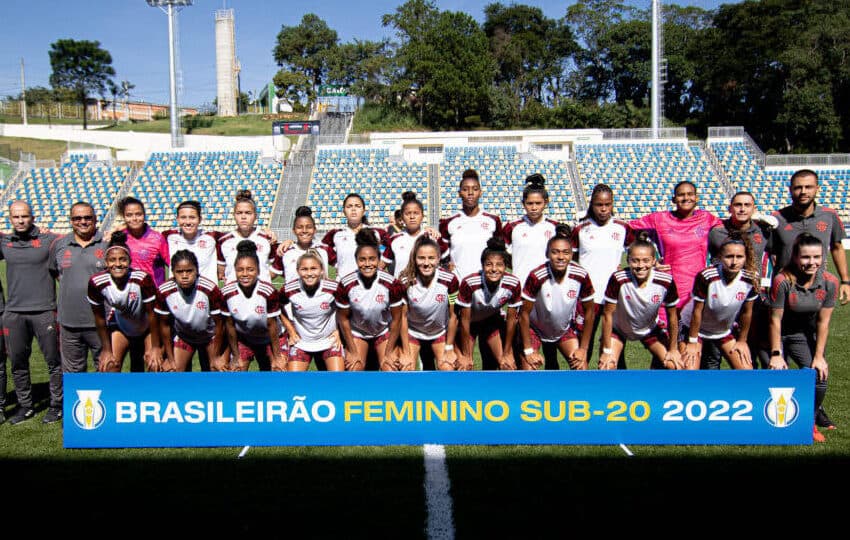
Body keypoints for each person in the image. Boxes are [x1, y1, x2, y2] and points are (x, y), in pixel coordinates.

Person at [768, 169, 848, 430]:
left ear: (817, 189)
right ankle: (778, 412)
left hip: (814, 293)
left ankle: (816, 409)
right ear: (790, 189)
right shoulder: (778, 218)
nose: (803, 191)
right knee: (776, 353)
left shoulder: (829, 216)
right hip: (785, 292)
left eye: (808, 187)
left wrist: (845, 280)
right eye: (797, 187)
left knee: (815, 355)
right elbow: (769, 253)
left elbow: (836, 247)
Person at [767, 233, 839, 442]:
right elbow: (774, 320)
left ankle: (810, 421)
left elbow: (823, 322)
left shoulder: (830, 282)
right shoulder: (782, 280)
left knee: (819, 376)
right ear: (796, 257)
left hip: (802, 335)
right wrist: (776, 353)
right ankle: (776, 423)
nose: (811, 262)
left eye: (816, 257)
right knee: (778, 375)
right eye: (806, 257)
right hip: (776, 333)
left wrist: (819, 356)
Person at [0, 200, 62, 425]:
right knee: (18, 363)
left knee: (54, 361)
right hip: (14, 313)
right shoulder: (5, 242)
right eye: (15, 217)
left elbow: (71, 238)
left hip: (44, 310)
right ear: (10, 219)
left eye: (24, 216)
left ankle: (56, 405)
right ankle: (25, 406)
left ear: (32, 217)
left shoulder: (48, 240)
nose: (20, 221)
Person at [629, 181, 722, 313]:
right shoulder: (659, 219)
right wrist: (650, 262)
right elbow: (626, 229)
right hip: (667, 286)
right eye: (681, 195)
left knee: (692, 331)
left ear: (697, 198)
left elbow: (729, 235)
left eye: (690, 194)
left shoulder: (707, 218)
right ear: (674, 199)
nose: (686, 198)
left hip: (697, 288)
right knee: (668, 331)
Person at [598, 232, 682, 370]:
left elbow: (672, 316)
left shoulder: (665, 281)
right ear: (628, 260)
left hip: (649, 329)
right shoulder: (618, 279)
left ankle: (655, 378)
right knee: (607, 366)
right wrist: (606, 351)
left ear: (654, 261)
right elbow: (607, 314)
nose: (640, 265)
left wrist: (673, 349)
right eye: (635, 260)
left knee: (673, 365)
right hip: (619, 329)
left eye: (645, 260)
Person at [707, 191, 773, 366]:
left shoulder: (764, 231)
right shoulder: (716, 232)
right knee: (713, 355)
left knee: (750, 350)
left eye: (747, 205)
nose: (742, 209)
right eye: (738, 205)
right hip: (721, 299)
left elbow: (779, 255)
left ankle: (749, 389)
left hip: (752, 300)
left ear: (754, 209)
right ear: (730, 208)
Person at [518, 224, 596, 371]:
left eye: (566, 252)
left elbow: (590, 312)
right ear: (547, 254)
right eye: (555, 252)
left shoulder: (581, 275)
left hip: (562, 330)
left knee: (581, 367)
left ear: (572, 255)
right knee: (528, 368)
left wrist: (583, 349)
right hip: (535, 329)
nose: (561, 257)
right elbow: (523, 314)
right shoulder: (537, 276)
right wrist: (528, 351)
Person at [571, 183, 633, 363]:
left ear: (612, 204)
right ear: (592, 204)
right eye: (599, 205)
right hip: (587, 296)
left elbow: (635, 252)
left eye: (608, 204)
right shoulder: (581, 229)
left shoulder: (622, 228)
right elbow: (571, 256)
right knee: (584, 345)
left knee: (613, 345)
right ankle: (580, 383)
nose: (604, 209)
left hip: (614, 296)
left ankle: (614, 383)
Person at [680, 233, 760, 370]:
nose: (734, 262)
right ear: (720, 258)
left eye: (739, 257)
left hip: (722, 330)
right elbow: (697, 311)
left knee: (747, 371)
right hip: (693, 329)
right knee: (689, 371)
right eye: (729, 256)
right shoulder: (707, 276)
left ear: (746, 258)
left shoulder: (751, 279)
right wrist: (692, 342)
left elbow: (747, 312)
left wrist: (742, 340)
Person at [87, 231, 162, 373]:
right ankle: (115, 395)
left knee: (154, 363)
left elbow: (152, 314)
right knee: (109, 365)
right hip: (121, 327)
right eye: (112, 260)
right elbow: (99, 318)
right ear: (106, 262)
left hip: (146, 327)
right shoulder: (97, 282)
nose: (118, 264)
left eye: (123, 259)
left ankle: (151, 395)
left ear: (130, 261)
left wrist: (155, 347)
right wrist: (106, 350)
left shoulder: (142, 279)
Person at [49, 201, 108, 374]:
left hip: (100, 322)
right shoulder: (60, 245)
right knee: (73, 373)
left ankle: (104, 402)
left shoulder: (106, 243)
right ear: (71, 220)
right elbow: (55, 272)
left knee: (105, 369)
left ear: (95, 219)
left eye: (87, 217)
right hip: (69, 322)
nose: (83, 221)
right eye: (77, 218)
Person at [336, 229, 406, 371]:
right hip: (358, 333)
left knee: (390, 367)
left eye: (372, 259)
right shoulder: (345, 284)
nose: (367, 264)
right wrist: (352, 351)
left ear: (379, 260)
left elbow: (397, 318)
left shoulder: (392, 284)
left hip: (383, 332)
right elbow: (343, 319)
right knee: (354, 368)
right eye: (362, 260)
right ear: (356, 261)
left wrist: (388, 352)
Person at [155, 250, 227, 372]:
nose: (184, 276)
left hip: (210, 337)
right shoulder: (164, 291)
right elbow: (164, 326)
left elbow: (220, 325)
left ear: (197, 271)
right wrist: (171, 359)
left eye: (189, 271)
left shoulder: (209, 289)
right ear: (172, 272)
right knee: (171, 370)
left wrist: (215, 357)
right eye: (179, 272)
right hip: (184, 337)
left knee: (216, 369)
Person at [457, 236, 522, 370]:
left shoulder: (513, 284)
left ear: (506, 266)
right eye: (488, 264)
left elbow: (512, 320)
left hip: (490, 322)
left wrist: (507, 352)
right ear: (482, 265)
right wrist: (466, 354)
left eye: (499, 264)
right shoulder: (470, 283)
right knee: (465, 366)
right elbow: (464, 320)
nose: (494, 269)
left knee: (506, 365)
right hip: (468, 324)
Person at [221, 241, 286, 372]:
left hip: (271, 339)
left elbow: (272, 326)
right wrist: (235, 356)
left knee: (277, 372)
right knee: (237, 373)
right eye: (240, 270)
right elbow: (230, 326)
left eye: (250, 270)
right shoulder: (226, 293)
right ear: (235, 270)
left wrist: (277, 356)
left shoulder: (268, 292)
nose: (245, 274)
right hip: (246, 339)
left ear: (258, 270)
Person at [399, 235, 460, 371]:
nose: (426, 263)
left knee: (447, 368)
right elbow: (402, 317)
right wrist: (405, 351)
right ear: (414, 259)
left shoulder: (450, 280)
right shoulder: (405, 282)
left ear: (438, 258)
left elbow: (454, 316)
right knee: (406, 368)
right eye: (421, 258)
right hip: (413, 333)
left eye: (431, 258)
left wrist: (449, 348)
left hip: (439, 333)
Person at [279, 249, 345, 372]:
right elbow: (277, 306)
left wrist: (338, 331)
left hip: (329, 341)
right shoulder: (289, 289)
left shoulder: (334, 288)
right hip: (301, 342)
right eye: (304, 269)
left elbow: (346, 310)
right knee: (293, 382)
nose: (309, 273)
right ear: (298, 271)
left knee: (338, 380)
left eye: (313, 268)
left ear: (321, 270)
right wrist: (291, 330)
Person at [439, 169, 503, 281]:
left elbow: (500, 253)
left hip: (486, 283)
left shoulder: (493, 220)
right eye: (465, 189)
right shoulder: (448, 222)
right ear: (459, 193)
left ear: (480, 192)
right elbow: (442, 253)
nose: (470, 193)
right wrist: (446, 265)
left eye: (475, 189)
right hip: (459, 284)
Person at [502, 173, 560, 288]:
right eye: (530, 203)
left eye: (538, 203)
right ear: (523, 203)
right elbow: (502, 254)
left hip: (548, 287)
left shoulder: (555, 227)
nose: (534, 208)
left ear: (546, 202)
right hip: (521, 286)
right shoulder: (512, 226)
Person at [217, 190, 280, 284]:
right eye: (239, 213)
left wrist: (264, 279)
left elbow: (278, 264)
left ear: (255, 216)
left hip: (261, 296)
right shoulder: (223, 241)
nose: (243, 217)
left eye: (248, 213)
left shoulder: (267, 239)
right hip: (233, 295)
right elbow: (221, 273)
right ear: (234, 215)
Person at [382, 191, 447, 279]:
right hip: (402, 291)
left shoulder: (433, 237)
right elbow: (380, 266)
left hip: (427, 292)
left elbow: (449, 263)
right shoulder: (394, 240)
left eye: (416, 213)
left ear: (422, 216)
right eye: (408, 213)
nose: (412, 217)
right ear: (402, 217)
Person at [322, 193, 386, 279]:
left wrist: (384, 261)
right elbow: (322, 248)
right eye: (349, 206)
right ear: (344, 211)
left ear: (363, 210)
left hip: (370, 285)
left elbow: (393, 245)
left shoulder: (376, 232)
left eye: (357, 206)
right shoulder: (336, 234)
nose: (353, 209)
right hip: (344, 285)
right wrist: (336, 263)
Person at [162, 200, 222, 283]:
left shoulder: (213, 237)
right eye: (183, 217)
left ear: (200, 219)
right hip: (177, 293)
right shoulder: (168, 236)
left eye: (192, 217)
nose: (188, 222)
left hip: (206, 293)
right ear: (177, 219)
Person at [117, 196, 170, 287]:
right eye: (129, 215)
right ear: (124, 217)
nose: (134, 218)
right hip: (127, 293)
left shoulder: (157, 238)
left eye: (138, 214)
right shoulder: (119, 238)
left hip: (153, 293)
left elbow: (172, 264)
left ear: (144, 214)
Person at [274, 206, 331, 282]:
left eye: (309, 227)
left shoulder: (325, 249)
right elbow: (269, 275)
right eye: (300, 227)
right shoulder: (285, 251)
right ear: (294, 230)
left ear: (315, 230)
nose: (304, 230)